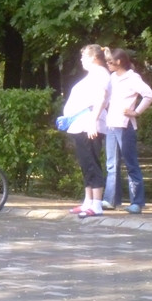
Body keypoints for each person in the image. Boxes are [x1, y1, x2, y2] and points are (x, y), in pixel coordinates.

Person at [58, 44, 110, 218]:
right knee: (85, 164)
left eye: (84, 57)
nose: (81, 60)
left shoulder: (101, 74)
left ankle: (96, 205)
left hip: (89, 125)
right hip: (82, 125)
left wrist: (93, 122)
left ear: (94, 58)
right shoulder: (94, 75)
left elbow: (101, 98)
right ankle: (88, 201)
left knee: (92, 163)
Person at [102, 47, 152, 214]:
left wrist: (136, 112)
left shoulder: (132, 78)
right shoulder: (113, 77)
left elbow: (149, 95)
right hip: (111, 125)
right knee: (111, 164)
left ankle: (137, 202)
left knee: (131, 164)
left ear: (119, 62)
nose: (108, 65)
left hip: (125, 126)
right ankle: (110, 200)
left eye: (110, 62)